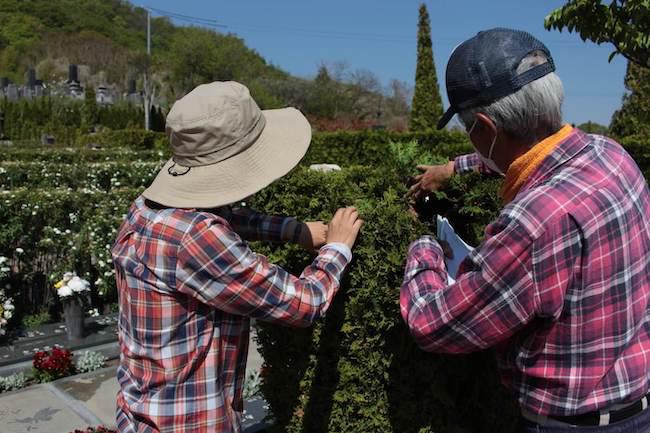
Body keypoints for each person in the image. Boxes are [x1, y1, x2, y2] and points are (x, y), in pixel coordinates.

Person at [403, 28, 650, 432]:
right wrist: (454, 168)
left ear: (484, 127)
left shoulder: (533, 221)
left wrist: (424, 245)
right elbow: (531, 157)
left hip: (570, 424)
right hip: (636, 405)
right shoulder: (612, 155)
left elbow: (435, 324)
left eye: (470, 131)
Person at [111, 81, 363, 433]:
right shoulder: (197, 237)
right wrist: (337, 247)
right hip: (189, 423)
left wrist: (293, 229)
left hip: (144, 412)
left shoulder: (147, 210)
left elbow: (224, 219)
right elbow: (304, 303)